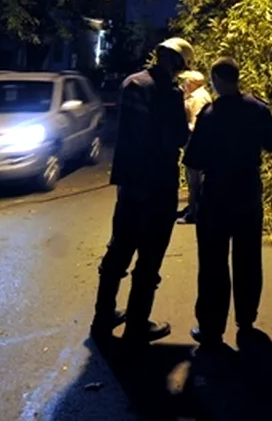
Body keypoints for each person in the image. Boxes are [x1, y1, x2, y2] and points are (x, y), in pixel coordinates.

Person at [92, 38, 192, 344]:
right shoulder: (169, 93)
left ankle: (103, 316)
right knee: (149, 257)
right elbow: (176, 137)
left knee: (119, 250)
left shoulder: (131, 84)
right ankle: (137, 324)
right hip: (159, 184)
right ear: (177, 65)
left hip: (129, 183)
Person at [184, 57, 272, 348]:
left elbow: (193, 161)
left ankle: (211, 327)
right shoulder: (258, 109)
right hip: (248, 191)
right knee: (248, 257)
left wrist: (195, 198)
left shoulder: (210, 115)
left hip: (216, 193)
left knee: (213, 262)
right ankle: (246, 319)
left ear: (215, 79)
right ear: (237, 78)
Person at [177, 69, 214, 225]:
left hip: (196, 142)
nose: (183, 84)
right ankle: (195, 209)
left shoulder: (197, 98)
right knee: (196, 178)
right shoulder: (200, 95)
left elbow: (196, 124)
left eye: (185, 81)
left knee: (195, 179)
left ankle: (194, 213)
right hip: (199, 142)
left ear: (191, 83)